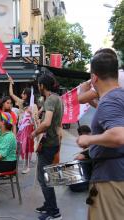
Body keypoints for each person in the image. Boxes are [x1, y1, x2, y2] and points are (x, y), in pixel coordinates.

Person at [76, 51, 124, 220]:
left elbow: (119, 135)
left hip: (111, 179)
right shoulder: (118, 96)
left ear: (94, 78)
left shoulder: (110, 100)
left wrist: (89, 139)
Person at [31, 73, 63, 220]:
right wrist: (40, 111)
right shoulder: (56, 98)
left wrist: (34, 133)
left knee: (43, 178)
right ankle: (48, 204)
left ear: (42, 86)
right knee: (45, 176)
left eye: (39, 84)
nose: (38, 86)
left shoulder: (50, 100)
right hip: (54, 143)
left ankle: (53, 211)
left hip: (48, 144)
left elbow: (47, 123)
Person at [9, 77, 39, 174]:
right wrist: (10, 83)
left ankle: (28, 166)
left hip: (29, 128)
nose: (21, 95)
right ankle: (17, 165)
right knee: (20, 146)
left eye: (23, 93)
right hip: (21, 128)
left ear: (27, 95)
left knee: (28, 147)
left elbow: (36, 119)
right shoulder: (21, 103)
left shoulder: (33, 106)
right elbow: (11, 94)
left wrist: (31, 114)